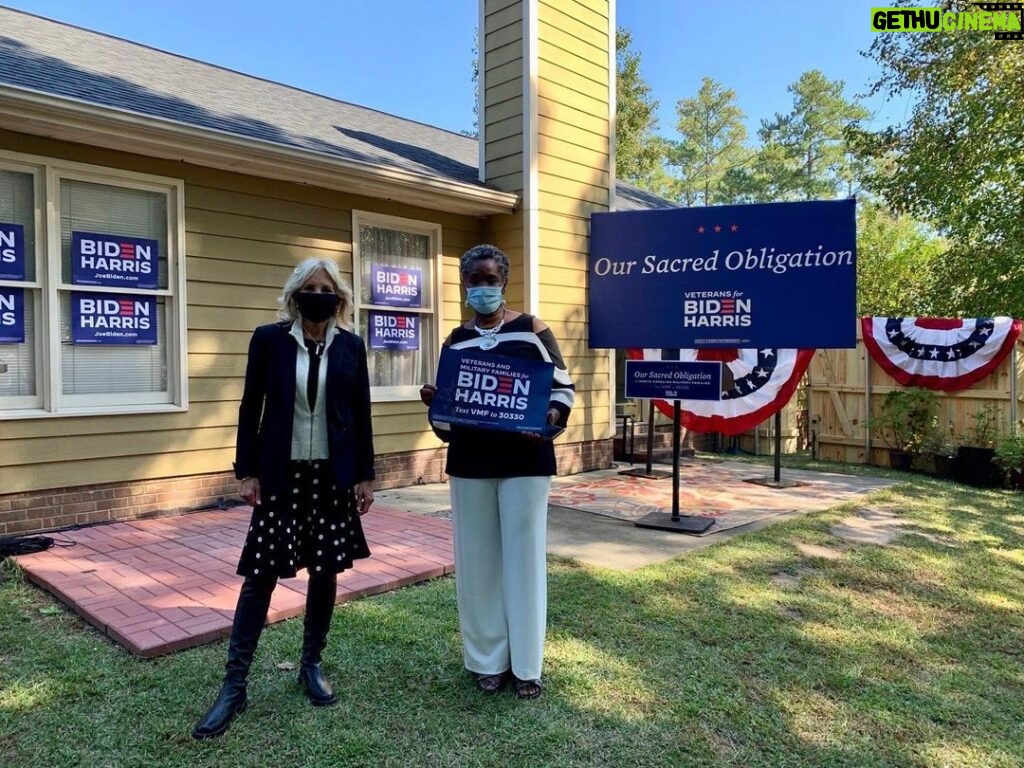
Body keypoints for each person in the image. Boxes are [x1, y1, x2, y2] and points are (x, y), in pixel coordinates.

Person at [193, 258, 376, 739]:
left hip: (332, 476)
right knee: (261, 577)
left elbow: (360, 414)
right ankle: (235, 685)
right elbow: (250, 405)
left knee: (326, 570)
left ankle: (310, 664)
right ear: (295, 295)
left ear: (339, 298)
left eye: (328, 288)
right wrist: (246, 470)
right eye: (311, 287)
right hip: (282, 474)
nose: (320, 294)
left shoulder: (351, 346)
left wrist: (365, 476)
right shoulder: (269, 339)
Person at [419, 244, 574, 700]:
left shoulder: (532, 329)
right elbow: (447, 420)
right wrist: (437, 403)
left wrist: (547, 422)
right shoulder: (455, 339)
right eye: (474, 280)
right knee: (477, 562)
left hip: (525, 462)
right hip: (470, 461)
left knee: (524, 560)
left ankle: (527, 665)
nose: (482, 288)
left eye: (490, 279)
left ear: (504, 281)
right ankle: (488, 661)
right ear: (463, 285)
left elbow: (562, 388)